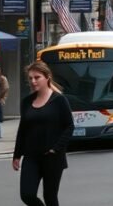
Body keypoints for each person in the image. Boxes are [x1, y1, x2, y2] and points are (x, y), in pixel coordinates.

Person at [12, 61, 74, 206]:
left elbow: (69, 126)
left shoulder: (59, 100)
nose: (33, 81)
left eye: (37, 77)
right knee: (27, 195)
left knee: (50, 197)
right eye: (30, 78)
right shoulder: (26, 102)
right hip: (31, 157)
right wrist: (17, 155)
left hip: (52, 158)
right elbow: (23, 129)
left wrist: (56, 149)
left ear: (47, 78)